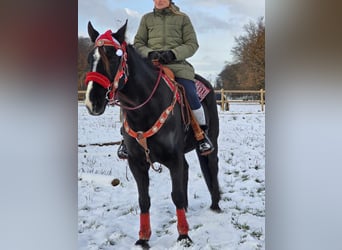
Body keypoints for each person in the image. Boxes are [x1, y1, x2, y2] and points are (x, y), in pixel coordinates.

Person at [117, 0, 214, 159]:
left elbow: (192, 44)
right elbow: (139, 43)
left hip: (177, 66)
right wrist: (149, 53)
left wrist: (173, 53)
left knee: (190, 93)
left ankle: (201, 135)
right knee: (129, 95)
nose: (159, 1)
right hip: (150, 67)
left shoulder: (183, 18)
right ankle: (126, 138)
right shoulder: (146, 19)